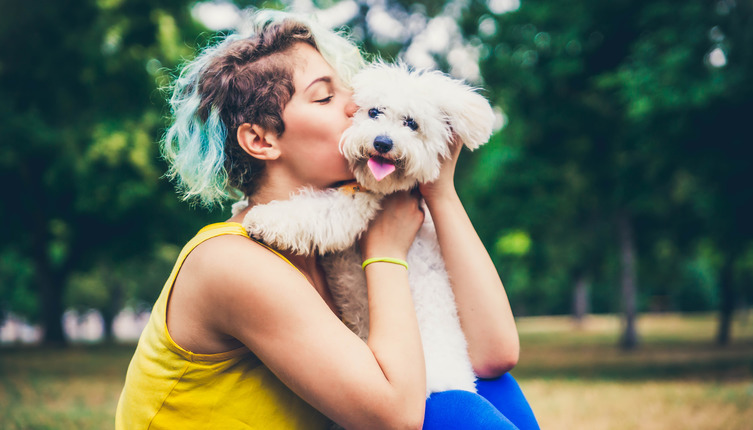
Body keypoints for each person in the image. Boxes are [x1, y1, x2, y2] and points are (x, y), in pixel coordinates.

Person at [115, 10, 539, 430]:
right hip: (393, 412)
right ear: (261, 139)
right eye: (325, 96)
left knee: (495, 387)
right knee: (451, 412)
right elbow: (396, 417)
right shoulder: (230, 261)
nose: (355, 106)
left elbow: (493, 354)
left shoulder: (346, 225)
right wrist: (387, 251)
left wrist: (439, 193)